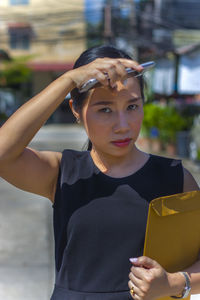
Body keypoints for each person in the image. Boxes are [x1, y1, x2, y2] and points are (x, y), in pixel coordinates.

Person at [0, 45, 200, 300]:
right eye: (105, 110)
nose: (122, 126)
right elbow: (3, 154)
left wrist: (174, 283)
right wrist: (68, 80)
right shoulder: (63, 173)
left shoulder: (176, 178)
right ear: (76, 110)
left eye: (132, 107)